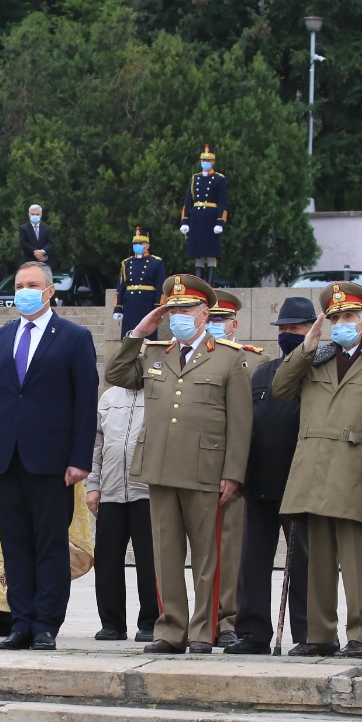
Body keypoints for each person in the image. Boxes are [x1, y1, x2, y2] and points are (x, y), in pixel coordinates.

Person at [107, 274, 253, 654]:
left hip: (206, 472)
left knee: (207, 558)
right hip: (159, 468)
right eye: (172, 310)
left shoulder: (229, 358)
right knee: (165, 554)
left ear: (205, 314)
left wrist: (233, 474)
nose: (177, 317)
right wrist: (139, 331)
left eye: (185, 310)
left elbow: (240, 423)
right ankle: (171, 629)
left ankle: (204, 631)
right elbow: (116, 374)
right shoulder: (156, 353)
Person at [0, 261, 99, 650]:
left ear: (49, 291)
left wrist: (80, 458)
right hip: (5, 458)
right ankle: (21, 621)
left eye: (33, 284)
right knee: (15, 544)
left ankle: (46, 623)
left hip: (52, 460)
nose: (24, 290)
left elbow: (84, 402)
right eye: (19, 284)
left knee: (49, 544)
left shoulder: (74, 337)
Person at [275, 283, 362, 658]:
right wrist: (305, 347)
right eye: (336, 317)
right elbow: (281, 389)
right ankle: (320, 635)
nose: (342, 323)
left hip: (356, 470)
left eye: (349, 317)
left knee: (355, 560)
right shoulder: (316, 358)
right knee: (319, 559)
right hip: (314, 470)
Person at [225, 298, 311, 656]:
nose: (288, 335)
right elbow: (248, 426)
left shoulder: (317, 372)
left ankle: (309, 633)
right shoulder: (262, 372)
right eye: (284, 329)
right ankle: (252, 632)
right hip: (260, 482)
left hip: (299, 483)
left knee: (304, 564)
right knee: (253, 564)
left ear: (311, 330)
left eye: (296, 329)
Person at [89, 382, 156, 643]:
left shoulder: (158, 392)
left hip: (147, 492)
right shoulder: (108, 396)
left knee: (150, 561)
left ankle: (151, 621)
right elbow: (96, 445)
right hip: (111, 491)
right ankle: (112, 623)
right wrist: (93, 486)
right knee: (107, 561)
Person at [206, 289, 254, 646]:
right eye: (209, 319)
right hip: (194, 466)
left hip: (232, 471)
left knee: (230, 548)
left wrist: (236, 471)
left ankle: (228, 619)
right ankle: (199, 620)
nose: (214, 325)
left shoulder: (250, 362)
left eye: (220, 320)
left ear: (234, 325)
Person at [180, 145, 229, 278]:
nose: (205, 163)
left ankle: (210, 284)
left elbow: (223, 203)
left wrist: (220, 222)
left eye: (208, 160)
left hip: (211, 219)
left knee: (211, 254)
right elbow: (187, 202)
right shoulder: (195, 178)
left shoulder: (219, 179)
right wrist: (185, 221)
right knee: (198, 255)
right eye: (203, 160)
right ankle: (199, 284)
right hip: (197, 218)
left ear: (213, 161)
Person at [113, 227, 167, 340]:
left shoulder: (156, 262)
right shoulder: (126, 263)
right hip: (130, 303)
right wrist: (117, 308)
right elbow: (121, 286)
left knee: (147, 335)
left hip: (147, 303)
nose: (137, 245)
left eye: (140, 243)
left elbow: (160, 286)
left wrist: (159, 307)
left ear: (147, 245)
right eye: (135, 243)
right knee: (129, 334)